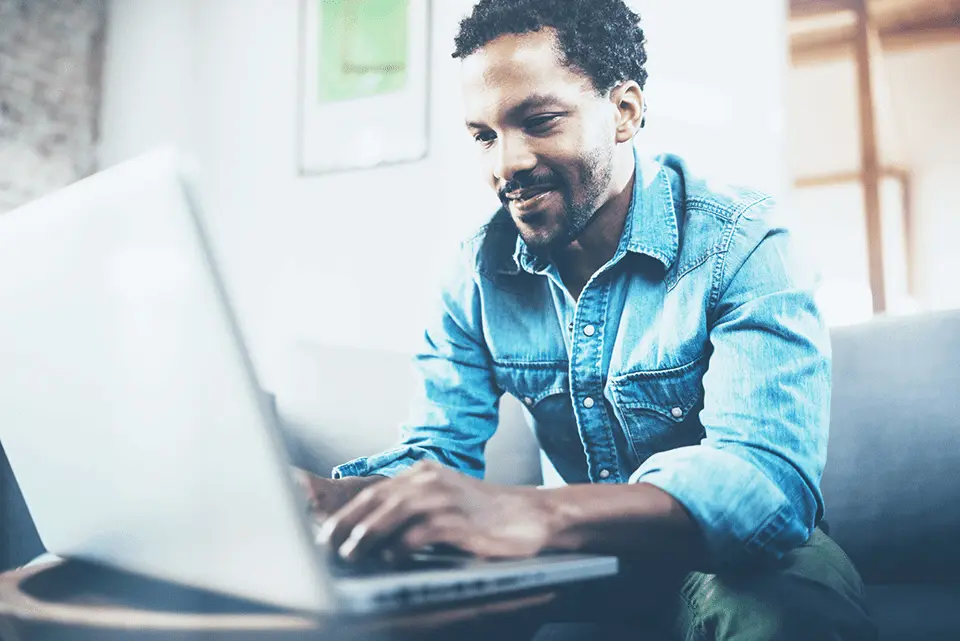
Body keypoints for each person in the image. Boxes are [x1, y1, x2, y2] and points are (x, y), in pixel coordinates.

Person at [299, 0, 877, 639]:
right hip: (576, 562)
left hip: (727, 557)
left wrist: (537, 513)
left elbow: (765, 481)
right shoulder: (476, 273)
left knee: (780, 607)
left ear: (624, 111)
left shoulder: (743, 243)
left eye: (539, 121)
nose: (505, 164)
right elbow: (438, 450)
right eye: (484, 136)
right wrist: (336, 498)